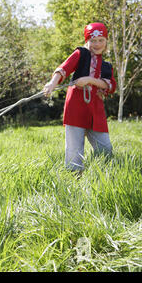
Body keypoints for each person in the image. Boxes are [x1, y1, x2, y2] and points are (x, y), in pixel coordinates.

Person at [43, 22, 117, 172]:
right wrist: (52, 84)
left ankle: (105, 175)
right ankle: (74, 177)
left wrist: (89, 80)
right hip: (76, 107)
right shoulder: (80, 54)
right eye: (93, 41)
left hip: (96, 110)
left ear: (106, 42)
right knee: (74, 148)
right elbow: (63, 68)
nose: (97, 44)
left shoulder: (107, 66)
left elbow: (111, 86)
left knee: (105, 147)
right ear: (87, 41)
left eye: (101, 40)